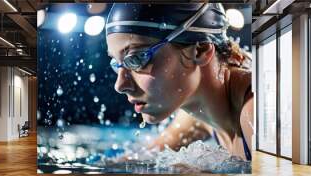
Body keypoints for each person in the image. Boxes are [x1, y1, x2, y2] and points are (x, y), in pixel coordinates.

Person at [105, 3, 253, 161]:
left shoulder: (255, 114)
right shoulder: (199, 113)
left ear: (200, 50)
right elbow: (138, 160)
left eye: (136, 59)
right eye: (116, 63)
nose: (119, 85)